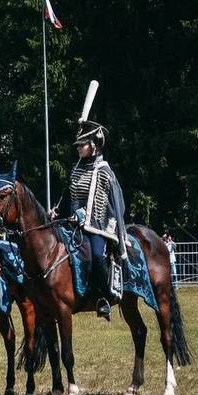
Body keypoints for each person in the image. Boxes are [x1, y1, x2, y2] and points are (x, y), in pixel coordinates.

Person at [68, 119, 127, 320]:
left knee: (95, 255)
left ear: (94, 145)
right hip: (75, 223)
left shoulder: (103, 172)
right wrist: (57, 211)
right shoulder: (77, 169)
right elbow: (70, 195)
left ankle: (103, 297)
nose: (78, 149)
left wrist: (85, 214)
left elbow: (110, 204)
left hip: (98, 226)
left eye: (82, 145)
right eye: (78, 145)